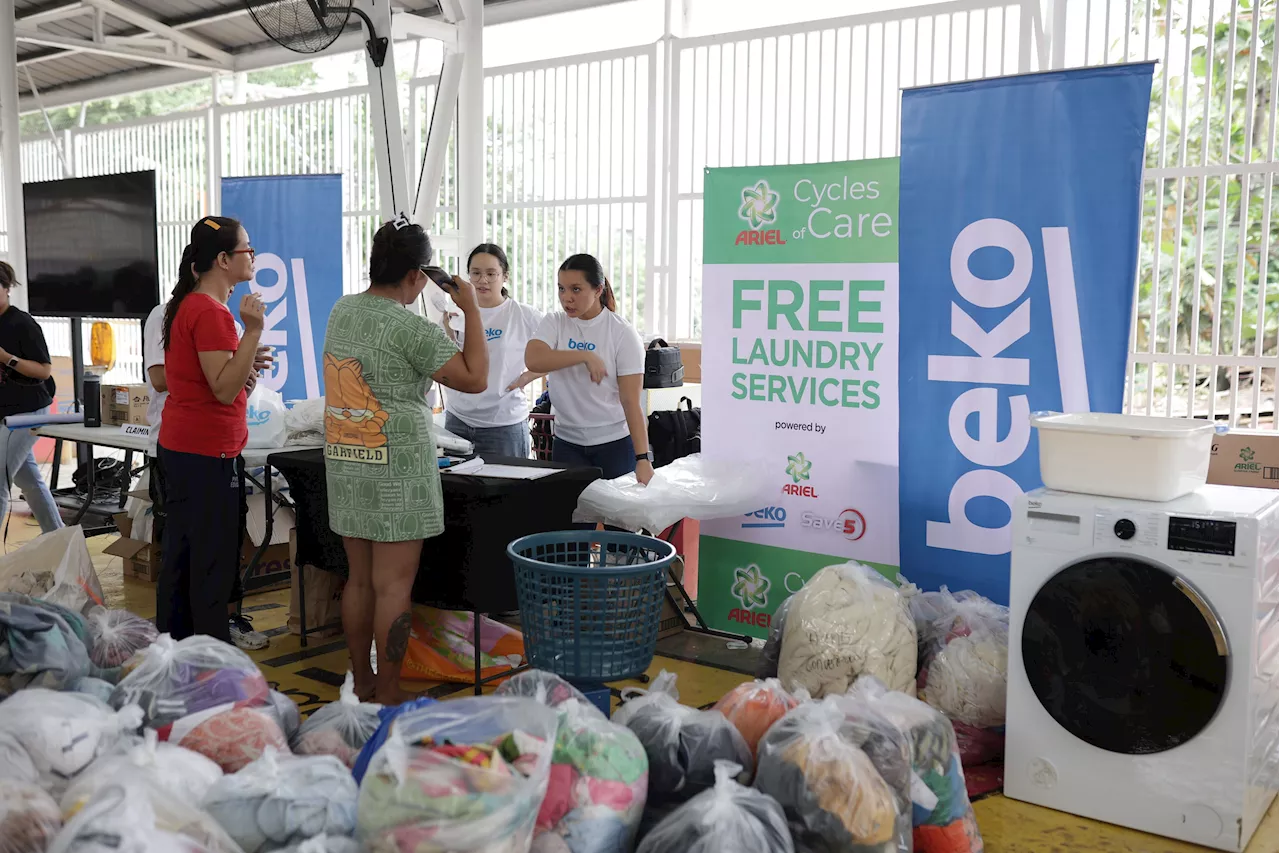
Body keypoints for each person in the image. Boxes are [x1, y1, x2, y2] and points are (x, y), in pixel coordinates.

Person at [323, 218, 487, 703]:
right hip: (398, 465)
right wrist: (471, 311)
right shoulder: (412, 328)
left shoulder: (342, 310)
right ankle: (389, 691)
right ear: (417, 276)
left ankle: (362, 680)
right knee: (393, 586)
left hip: (348, 456)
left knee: (359, 580)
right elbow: (475, 378)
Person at [156, 217, 266, 644]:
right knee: (210, 567)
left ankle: (177, 652)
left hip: (187, 448)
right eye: (246, 250)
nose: (252, 257)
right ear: (223, 260)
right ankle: (208, 659)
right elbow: (222, 388)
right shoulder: (211, 312)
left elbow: (214, 380)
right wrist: (253, 332)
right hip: (205, 455)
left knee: (184, 560)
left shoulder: (191, 305)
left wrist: (246, 367)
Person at [525, 253, 654, 484]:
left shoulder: (622, 333)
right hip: (567, 443)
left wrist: (643, 458)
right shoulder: (555, 322)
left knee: (618, 519)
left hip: (614, 444)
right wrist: (583, 355)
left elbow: (631, 402)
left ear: (598, 290)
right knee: (572, 519)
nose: (567, 298)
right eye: (561, 289)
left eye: (576, 289)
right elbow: (533, 360)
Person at [443, 243, 545, 459]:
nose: (483, 280)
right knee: (457, 491)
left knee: (507, 491)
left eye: (491, 273)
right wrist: (448, 333)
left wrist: (528, 376)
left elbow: (558, 349)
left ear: (505, 276)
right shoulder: (456, 314)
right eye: (476, 273)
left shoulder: (522, 315)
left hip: (503, 425)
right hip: (457, 421)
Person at [0, 262, 63, 534]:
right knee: (29, 480)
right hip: (5, 410)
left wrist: (6, 358)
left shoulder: (22, 323)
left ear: (7, 288)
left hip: (28, 409)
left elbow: (44, 370)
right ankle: (58, 538)